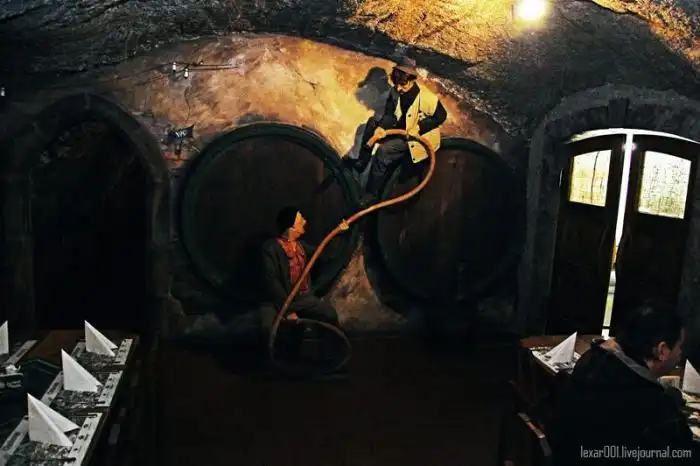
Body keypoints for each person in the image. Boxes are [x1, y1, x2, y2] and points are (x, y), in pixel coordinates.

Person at [549, 305, 698, 465]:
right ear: (662, 350)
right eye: (679, 346)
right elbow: (685, 453)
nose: (680, 353)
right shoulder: (651, 402)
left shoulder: (591, 361)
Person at [259, 206, 348, 375]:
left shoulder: (301, 246)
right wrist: (287, 309)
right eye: (300, 220)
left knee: (328, 314)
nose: (305, 222)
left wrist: (338, 234)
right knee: (268, 327)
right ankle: (276, 366)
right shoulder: (271, 249)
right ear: (291, 226)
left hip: (302, 299)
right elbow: (271, 283)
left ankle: (329, 359)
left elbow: (323, 253)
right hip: (278, 300)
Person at [352, 56, 447, 203]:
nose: (398, 89)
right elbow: (390, 115)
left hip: (416, 138)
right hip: (401, 130)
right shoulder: (395, 91)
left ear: (411, 80)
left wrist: (419, 128)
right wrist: (381, 128)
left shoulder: (426, 98)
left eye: (402, 85)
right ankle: (362, 162)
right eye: (396, 84)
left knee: (383, 151)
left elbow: (441, 116)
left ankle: (372, 194)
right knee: (372, 123)